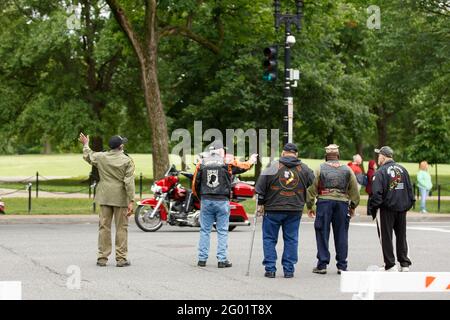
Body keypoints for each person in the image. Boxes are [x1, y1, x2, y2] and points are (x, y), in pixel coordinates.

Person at [192, 140, 257, 268]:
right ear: (220, 150)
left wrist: (201, 197)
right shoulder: (227, 163)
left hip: (206, 199)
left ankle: (202, 259)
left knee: (205, 230)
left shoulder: (202, 163)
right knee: (222, 230)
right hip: (222, 200)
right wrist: (251, 161)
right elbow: (242, 167)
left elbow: (195, 183)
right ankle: (222, 260)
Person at [255, 143, 314, 278]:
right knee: (291, 239)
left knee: (269, 238)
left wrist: (260, 204)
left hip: (273, 208)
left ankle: (270, 269)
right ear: (296, 154)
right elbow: (313, 182)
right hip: (295, 209)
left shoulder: (272, 166)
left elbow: (260, 188)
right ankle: (289, 270)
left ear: (283, 153)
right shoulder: (303, 168)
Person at [79, 133, 135, 267]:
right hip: (120, 197)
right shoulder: (127, 160)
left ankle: (102, 257)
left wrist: (86, 143)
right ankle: (121, 258)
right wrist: (131, 200)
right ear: (121, 146)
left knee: (104, 227)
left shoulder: (101, 157)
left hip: (104, 195)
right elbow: (129, 182)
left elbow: (88, 155)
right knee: (122, 228)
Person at [306, 144, 360, 275]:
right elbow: (354, 190)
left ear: (326, 156)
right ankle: (342, 265)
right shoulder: (347, 169)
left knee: (322, 232)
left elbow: (312, 187)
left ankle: (322, 264)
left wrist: (310, 206)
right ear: (338, 156)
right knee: (341, 234)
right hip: (342, 204)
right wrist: (353, 206)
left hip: (324, 202)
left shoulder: (320, 168)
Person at [368, 146, 414, 272]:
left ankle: (390, 264)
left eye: (379, 156)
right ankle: (404, 263)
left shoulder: (381, 172)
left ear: (383, 156)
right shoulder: (403, 170)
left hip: (386, 209)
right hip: (401, 208)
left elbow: (376, 193)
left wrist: (374, 207)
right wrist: (407, 205)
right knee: (401, 235)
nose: (378, 158)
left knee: (386, 237)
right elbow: (410, 190)